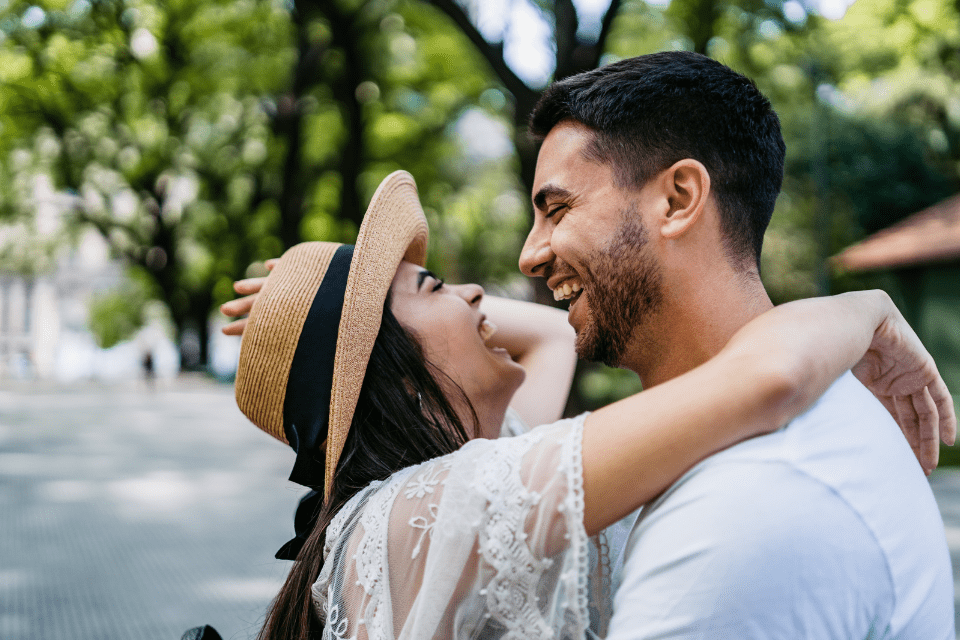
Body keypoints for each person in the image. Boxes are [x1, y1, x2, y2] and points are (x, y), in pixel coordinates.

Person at [220, 170, 953, 640]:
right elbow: (768, 379)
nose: (481, 292)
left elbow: (549, 336)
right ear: (399, 377)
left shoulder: (483, 464)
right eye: (436, 286)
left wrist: (353, 320)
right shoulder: (415, 514)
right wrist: (869, 309)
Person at [518, 50, 956, 638]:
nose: (530, 253)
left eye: (558, 210)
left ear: (677, 199)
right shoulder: (764, 444)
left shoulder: (744, 504)